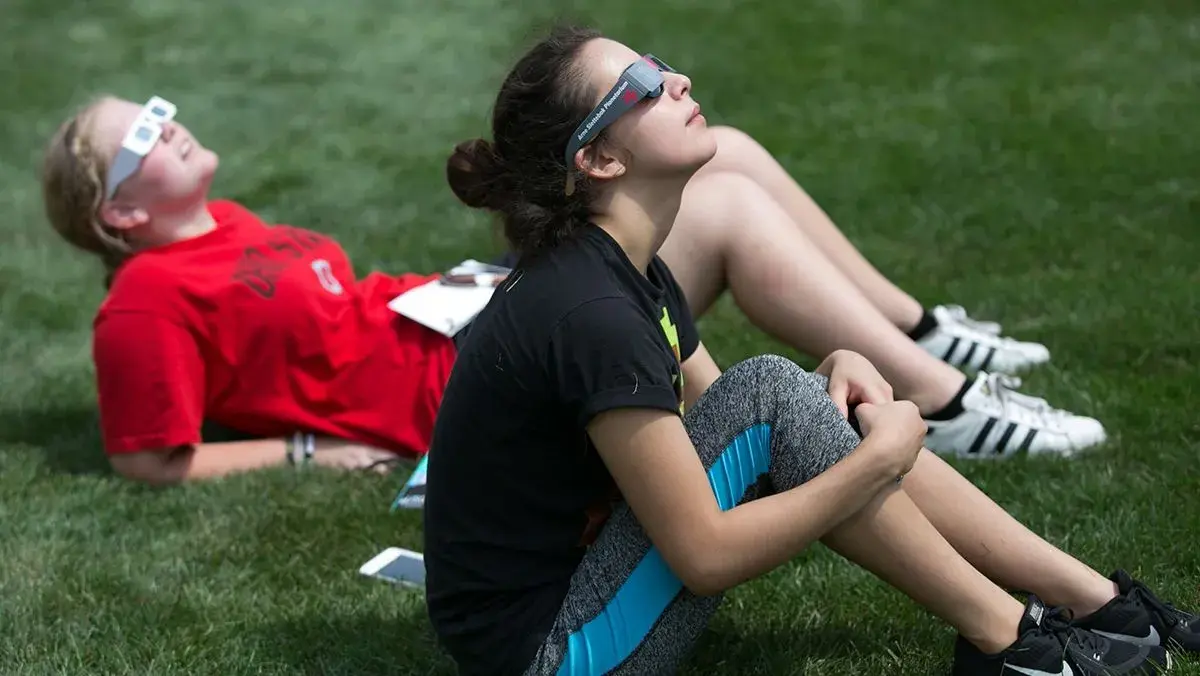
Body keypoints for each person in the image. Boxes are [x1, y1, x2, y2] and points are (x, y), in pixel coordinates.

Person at [421, 26, 1198, 675]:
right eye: (646, 86)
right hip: (551, 652)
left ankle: (1097, 602)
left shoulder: (627, 270)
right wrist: (876, 459)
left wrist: (826, 385)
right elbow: (705, 553)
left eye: (659, 66)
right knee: (786, 399)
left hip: (582, 595)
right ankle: (1015, 645)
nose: (680, 79)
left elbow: (742, 432)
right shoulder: (589, 311)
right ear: (598, 160)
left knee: (791, 395)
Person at [38, 86, 1098, 487]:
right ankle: (945, 412)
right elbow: (146, 459)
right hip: (465, 385)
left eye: (155, 107)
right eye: (134, 136)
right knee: (715, 209)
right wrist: (314, 449)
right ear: (115, 213)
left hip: (476, 315)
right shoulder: (141, 304)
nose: (161, 120)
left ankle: (922, 334)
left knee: (718, 147)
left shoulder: (229, 227)